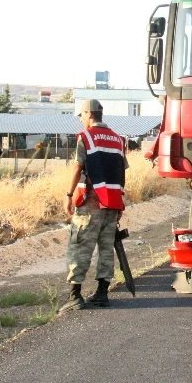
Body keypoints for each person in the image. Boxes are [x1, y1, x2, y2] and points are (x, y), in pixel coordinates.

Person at [61, 99, 129, 312]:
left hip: (91, 203)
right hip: (113, 203)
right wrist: (119, 201)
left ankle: (75, 296)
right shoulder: (118, 139)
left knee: (80, 246)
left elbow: (77, 167)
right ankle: (101, 293)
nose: (81, 119)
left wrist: (69, 194)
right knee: (106, 248)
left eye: (81, 114)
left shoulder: (86, 137)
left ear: (89, 114)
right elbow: (122, 172)